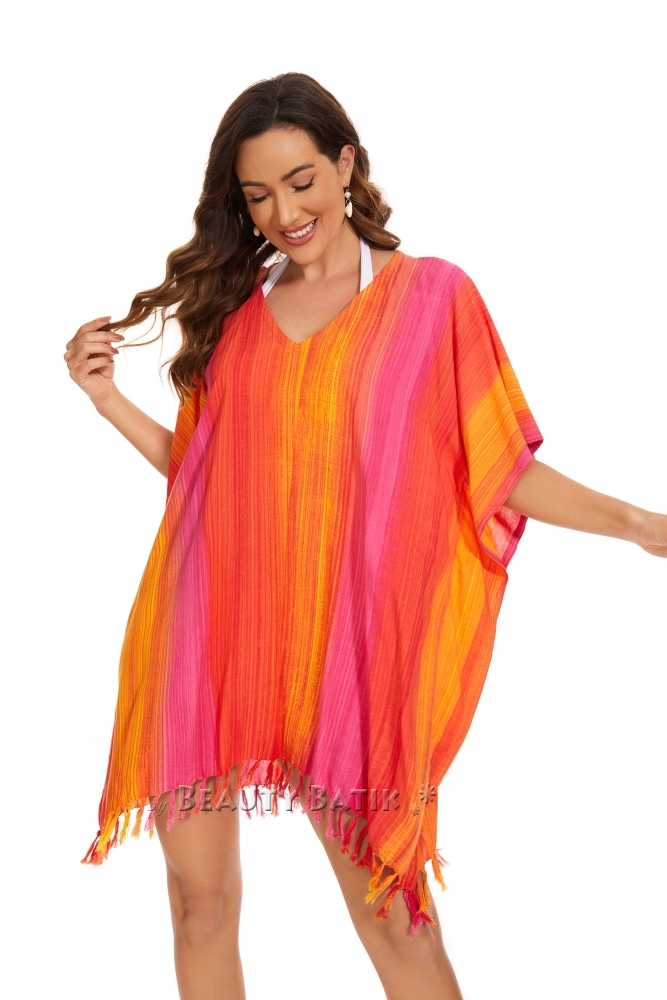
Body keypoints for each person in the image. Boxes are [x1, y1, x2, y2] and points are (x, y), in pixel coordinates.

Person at [63, 73, 667, 1000]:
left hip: (346, 657)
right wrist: (106, 400)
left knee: (392, 912)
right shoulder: (234, 313)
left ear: (345, 164)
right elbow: (206, 482)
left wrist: (637, 524)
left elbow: (494, 466)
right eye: (257, 195)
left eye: (301, 180)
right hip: (211, 637)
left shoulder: (430, 299)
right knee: (198, 907)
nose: (283, 212)